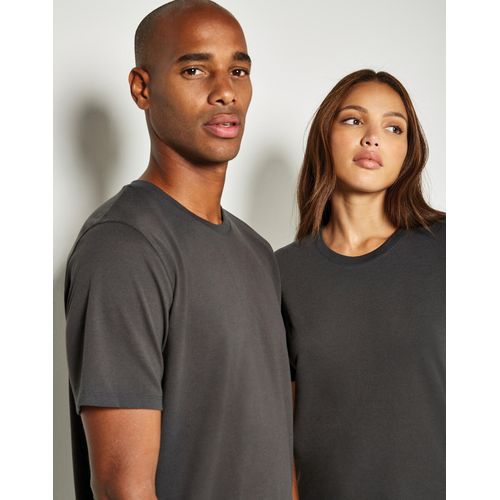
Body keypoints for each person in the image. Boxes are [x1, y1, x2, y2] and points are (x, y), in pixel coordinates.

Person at [65, 1, 293, 499]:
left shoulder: (257, 253)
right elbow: (123, 486)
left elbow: (274, 453)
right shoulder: (123, 246)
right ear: (142, 88)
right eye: (195, 70)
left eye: (238, 71)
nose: (225, 91)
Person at [276, 69, 445, 500]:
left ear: (408, 151)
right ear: (325, 135)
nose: (372, 138)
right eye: (354, 120)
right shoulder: (282, 273)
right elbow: (278, 435)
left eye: (393, 128)